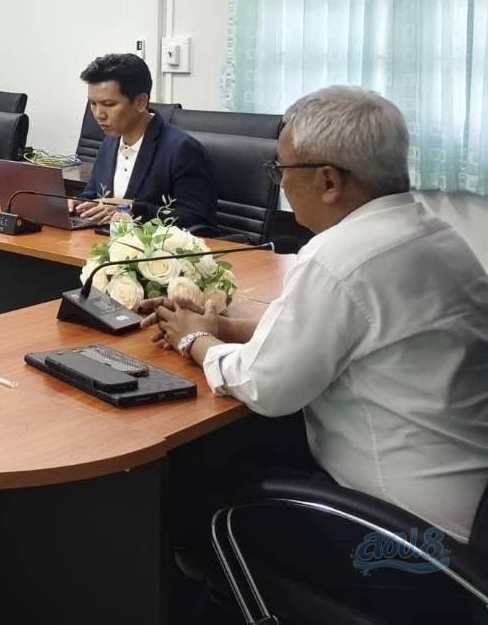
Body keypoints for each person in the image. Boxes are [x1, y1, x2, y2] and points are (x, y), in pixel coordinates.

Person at [149, 86, 488, 617]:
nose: (280, 184)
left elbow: (265, 386)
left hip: (412, 543)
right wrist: (226, 327)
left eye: (280, 169)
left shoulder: (338, 257)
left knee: (193, 501)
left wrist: (195, 340)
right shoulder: (434, 233)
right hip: (465, 508)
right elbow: (348, 331)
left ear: (328, 180)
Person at [74, 53, 216, 229]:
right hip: (106, 240)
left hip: (154, 245)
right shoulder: (109, 143)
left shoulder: (182, 149)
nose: (98, 114)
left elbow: (199, 220)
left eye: (109, 104)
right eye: (93, 104)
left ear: (140, 102)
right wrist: (77, 205)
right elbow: (92, 196)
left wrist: (134, 210)